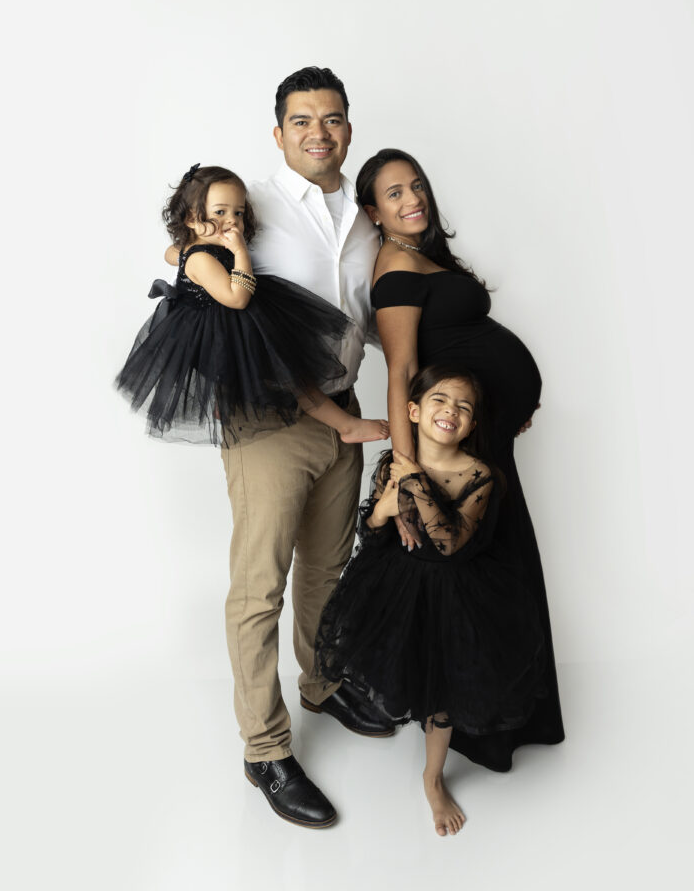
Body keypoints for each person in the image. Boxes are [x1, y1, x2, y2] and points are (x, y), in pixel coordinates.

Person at [222, 68, 395, 830]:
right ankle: (264, 750)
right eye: (301, 121)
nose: (317, 133)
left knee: (328, 568)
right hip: (266, 419)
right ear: (278, 133)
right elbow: (193, 272)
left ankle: (324, 685)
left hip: (345, 414)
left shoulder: (364, 220)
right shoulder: (249, 208)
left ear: (348, 130)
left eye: (331, 120)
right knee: (261, 585)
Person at [355, 148, 564, 773]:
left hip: (482, 439)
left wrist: (503, 404)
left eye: (415, 185)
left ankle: (509, 714)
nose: (411, 198)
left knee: (503, 571)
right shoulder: (394, 268)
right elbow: (401, 373)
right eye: (393, 193)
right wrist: (405, 465)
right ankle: (478, 729)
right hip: (449, 454)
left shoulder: (425, 257)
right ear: (373, 211)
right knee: (477, 580)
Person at [316, 366, 548, 835]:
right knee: (409, 667)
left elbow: (448, 542)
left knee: (443, 689)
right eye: (441, 401)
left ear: (473, 426)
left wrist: (415, 480)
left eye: (464, 408)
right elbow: (372, 532)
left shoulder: (479, 474)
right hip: (400, 587)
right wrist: (383, 508)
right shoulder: (391, 464)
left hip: (456, 593)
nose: (452, 412)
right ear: (414, 411)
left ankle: (432, 776)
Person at [116, 163, 388, 446]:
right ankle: (345, 425)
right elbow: (238, 297)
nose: (232, 221)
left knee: (294, 368)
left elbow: (171, 253)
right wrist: (239, 250)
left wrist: (183, 251)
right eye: (220, 212)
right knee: (294, 378)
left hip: (232, 321)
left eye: (238, 213)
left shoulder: (196, 251)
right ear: (191, 219)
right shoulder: (202, 259)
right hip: (222, 327)